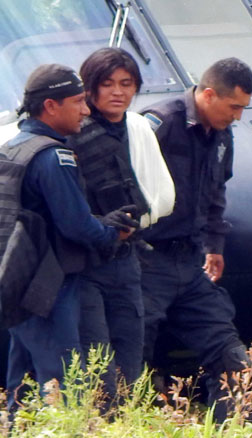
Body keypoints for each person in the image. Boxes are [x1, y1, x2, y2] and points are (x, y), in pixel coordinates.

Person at [1, 64, 134, 413]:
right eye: (77, 102)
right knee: (64, 382)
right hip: (48, 286)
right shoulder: (54, 156)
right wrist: (114, 232)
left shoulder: (14, 147)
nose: (86, 110)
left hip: (16, 278)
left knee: (21, 383)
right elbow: (76, 226)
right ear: (50, 106)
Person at [139, 58, 252, 423]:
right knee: (131, 352)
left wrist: (214, 246)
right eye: (234, 106)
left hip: (190, 262)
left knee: (228, 350)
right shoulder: (159, 123)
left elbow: (216, 194)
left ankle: (233, 436)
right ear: (208, 94)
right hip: (146, 259)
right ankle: (127, 435)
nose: (238, 116)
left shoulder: (221, 134)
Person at [68, 47, 175, 410]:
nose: (118, 92)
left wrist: (132, 223)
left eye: (126, 84)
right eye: (108, 83)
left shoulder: (137, 127)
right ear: (90, 88)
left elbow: (160, 196)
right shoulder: (73, 133)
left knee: (131, 352)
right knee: (96, 360)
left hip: (127, 257)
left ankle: (125, 426)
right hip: (85, 261)